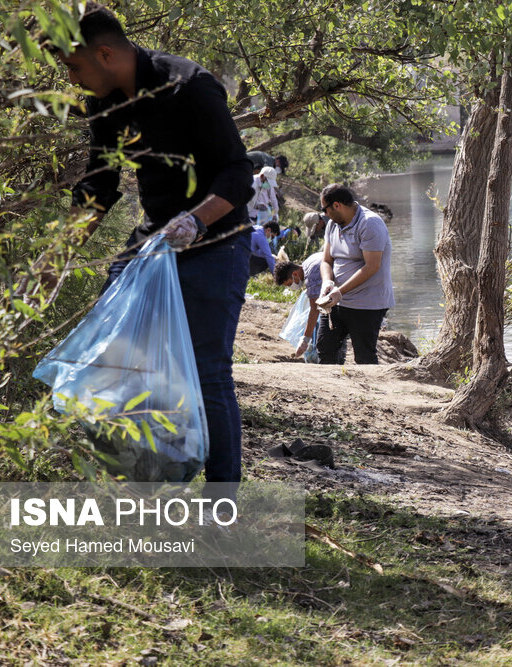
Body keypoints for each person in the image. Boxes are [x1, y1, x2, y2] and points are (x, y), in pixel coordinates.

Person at [61, 3, 253, 492]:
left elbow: (237, 172)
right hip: (153, 238)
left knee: (208, 369)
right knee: (114, 351)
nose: (72, 78)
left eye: (74, 66)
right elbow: (100, 184)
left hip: (217, 240)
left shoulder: (189, 86)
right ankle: (147, 473)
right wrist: (58, 252)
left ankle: (221, 498)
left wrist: (194, 221)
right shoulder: (105, 103)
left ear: (105, 54)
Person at [316, 183, 394, 364]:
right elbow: (326, 260)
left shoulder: (370, 223)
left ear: (337, 205)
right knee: (325, 349)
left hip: (367, 303)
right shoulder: (332, 226)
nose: (324, 215)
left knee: (364, 356)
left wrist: (340, 291)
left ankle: (372, 392)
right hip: (335, 300)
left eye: (324, 209)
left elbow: (371, 266)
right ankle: (332, 391)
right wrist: (327, 282)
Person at [274, 251, 324, 358]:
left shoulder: (312, 276)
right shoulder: (308, 262)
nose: (291, 287)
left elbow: (315, 309)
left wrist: (305, 340)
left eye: (289, 284)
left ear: (295, 274)